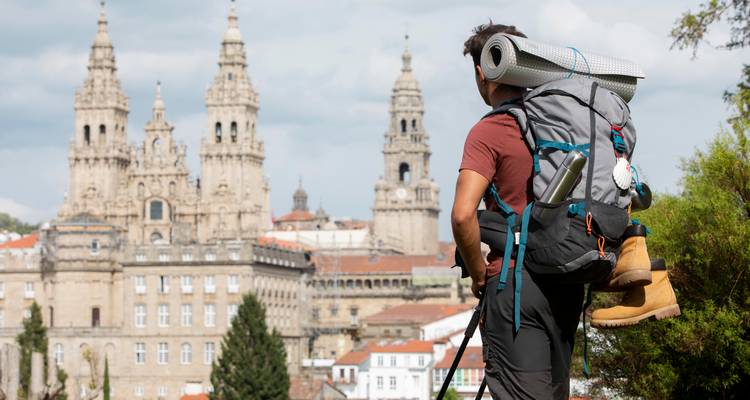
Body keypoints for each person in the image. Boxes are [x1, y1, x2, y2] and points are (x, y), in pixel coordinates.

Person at [451, 22, 584, 399]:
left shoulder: (490, 131)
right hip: (565, 282)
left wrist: (479, 274)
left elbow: (462, 215)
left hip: (514, 286)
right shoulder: (561, 124)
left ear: (482, 72)